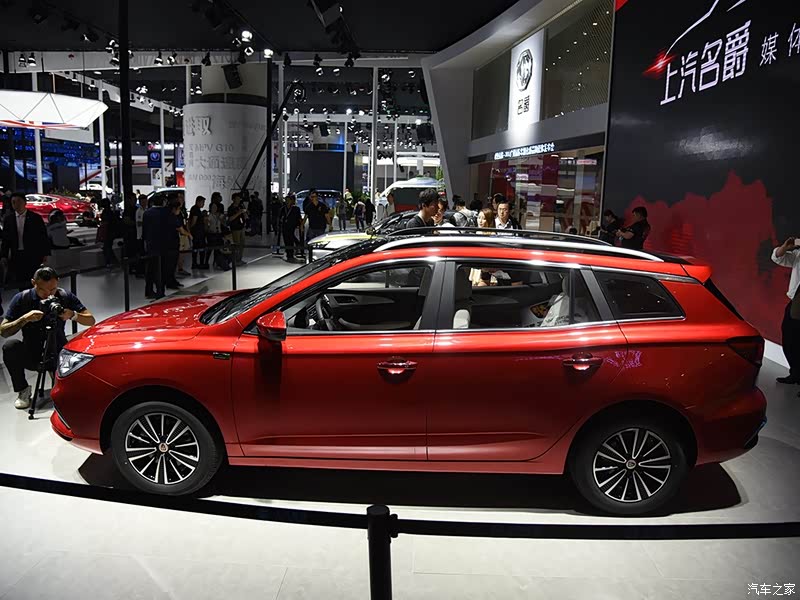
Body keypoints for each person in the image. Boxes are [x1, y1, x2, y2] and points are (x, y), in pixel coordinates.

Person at [1, 266, 95, 409]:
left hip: (58, 351)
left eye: (52, 290)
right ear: (33, 283)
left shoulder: (64, 296)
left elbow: (90, 320)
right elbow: (3, 331)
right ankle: (23, 389)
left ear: (58, 282)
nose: (47, 295)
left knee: (70, 396)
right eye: (42, 290)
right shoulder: (22, 298)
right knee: (10, 347)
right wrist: (24, 319)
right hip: (32, 353)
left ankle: (59, 380)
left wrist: (73, 315)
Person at [1, 192, 50, 290]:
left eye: (19, 201)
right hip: (17, 254)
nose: (16, 204)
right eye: (13, 202)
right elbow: (5, 239)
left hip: (32, 253)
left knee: (34, 279)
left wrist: (45, 253)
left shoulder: (35, 218)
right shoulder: (9, 219)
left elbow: (43, 236)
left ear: (25, 202)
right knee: (20, 281)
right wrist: (4, 255)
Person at [772, 236, 800, 384]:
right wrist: (785, 247)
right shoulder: (798, 254)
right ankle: (795, 373)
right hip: (796, 301)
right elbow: (778, 257)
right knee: (790, 339)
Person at [205, 202, 228, 270]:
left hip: (218, 234)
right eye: (213, 207)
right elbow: (207, 225)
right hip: (212, 234)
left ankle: (216, 262)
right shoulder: (209, 216)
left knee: (218, 249)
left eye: (215, 207)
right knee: (210, 249)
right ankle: (206, 262)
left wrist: (220, 217)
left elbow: (224, 223)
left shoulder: (219, 215)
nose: (215, 209)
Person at [227, 193, 247, 266]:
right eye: (237, 199)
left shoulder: (240, 206)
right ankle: (236, 260)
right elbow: (230, 219)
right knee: (237, 244)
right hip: (235, 228)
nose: (238, 200)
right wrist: (238, 213)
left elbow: (244, 216)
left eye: (239, 199)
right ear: (233, 199)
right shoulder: (231, 208)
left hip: (241, 227)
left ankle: (239, 259)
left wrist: (244, 214)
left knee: (242, 244)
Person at [189, 195, 208, 269]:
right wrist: (191, 228)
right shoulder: (196, 210)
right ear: (198, 202)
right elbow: (194, 221)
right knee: (200, 248)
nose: (203, 204)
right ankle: (200, 263)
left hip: (197, 232)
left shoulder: (195, 209)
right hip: (198, 233)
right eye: (202, 202)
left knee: (196, 248)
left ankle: (195, 263)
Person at [281, 194, 302, 261]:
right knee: (286, 240)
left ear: (292, 201)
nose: (287, 202)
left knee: (291, 238)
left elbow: (299, 218)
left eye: (288, 200)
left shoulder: (296, 209)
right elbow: (280, 218)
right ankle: (288, 253)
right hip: (285, 226)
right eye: (286, 200)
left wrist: (301, 225)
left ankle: (292, 252)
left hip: (293, 226)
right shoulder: (283, 209)